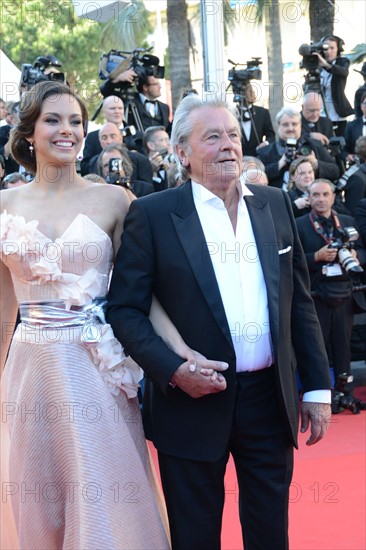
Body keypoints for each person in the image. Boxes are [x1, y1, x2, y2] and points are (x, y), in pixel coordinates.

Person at [107, 95, 332, 550]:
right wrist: (173, 370)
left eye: (232, 134)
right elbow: (125, 309)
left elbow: (300, 304)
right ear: (182, 153)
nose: (229, 145)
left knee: (270, 534)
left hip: (269, 399)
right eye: (212, 137)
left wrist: (316, 389)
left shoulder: (273, 204)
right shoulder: (152, 215)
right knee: (195, 536)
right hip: (188, 403)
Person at [0, 80, 216, 549]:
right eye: (53, 120)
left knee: (103, 489)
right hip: (29, 372)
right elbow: (3, 305)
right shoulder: (4, 204)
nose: (68, 131)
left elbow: (143, 297)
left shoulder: (115, 201)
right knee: (37, 492)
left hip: (95, 368)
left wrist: (179, 351)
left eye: (76, 121)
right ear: (29, 132)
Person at [296, 179, 366, 396]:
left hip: (345, 294)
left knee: (343, 346)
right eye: (316, 195)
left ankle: (345, 392)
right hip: (314, 296)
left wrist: (356, 256)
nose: (321, 199)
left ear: (334, 197)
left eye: (326, 194)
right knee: (317, 348)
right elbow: (291, 260)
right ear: (308, 198)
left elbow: (364, 252)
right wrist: (316, 257)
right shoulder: (299, 225)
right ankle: (319, 394)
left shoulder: (347, 221)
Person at [257, 107, 339, 188]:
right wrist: (279, 164)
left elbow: (335, 172)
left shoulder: (315, 145)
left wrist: (316, 163)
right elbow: (256, 177)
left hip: (311, 198)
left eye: (294, 124)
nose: (290, 128)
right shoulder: (265, 152)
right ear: (278, 126)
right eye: (285, 124)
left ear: (300, 125)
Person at [86, 121, 153, 184]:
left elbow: (148, 188)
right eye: (104, 137)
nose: (109, 141)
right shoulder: (94, 162)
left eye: (113, 136)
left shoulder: (140, 160)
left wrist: (123, 182)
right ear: (99, 141)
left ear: (121, 137)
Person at [313, 35, 354, 136]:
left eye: (332, 48)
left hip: (338, 113)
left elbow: (343, 72)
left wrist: (326, 65)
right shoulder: (317, 65)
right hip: (321, 112)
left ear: (338, 49)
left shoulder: (343, 61)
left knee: (340, 142)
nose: (328, 51)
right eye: (326, 48)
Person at [237, 83, 275, 156]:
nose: (250, 94)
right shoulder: (232, 114)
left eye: (251, 90)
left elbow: (271, 136)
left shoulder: (263, 112)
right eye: (246, 91)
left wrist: (265, 143)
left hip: (258, 158)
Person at [143, 125, 176, 191]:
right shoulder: (143, 166)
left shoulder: (172, 162)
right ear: (151, 145)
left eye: (168, 139)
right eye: (163, 140)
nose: (169, 143)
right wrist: (153, 172)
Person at [343, 92, 366, 162]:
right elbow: (344, 150)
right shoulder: (351, 126)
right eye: (365, 104)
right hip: (359, 165)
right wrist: (347, 156)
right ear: (361, 106)